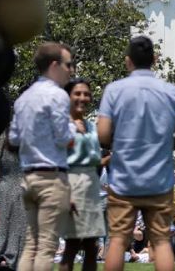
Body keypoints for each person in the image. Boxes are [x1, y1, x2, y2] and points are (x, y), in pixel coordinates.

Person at [97, 35, 175, 271]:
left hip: (124, 178)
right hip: (159, 178)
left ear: (128, 61)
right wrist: (163, 146)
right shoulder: (173, 92)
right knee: (160, 241)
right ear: (155, 60)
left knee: (118, 240)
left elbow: (103, 134)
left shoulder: (114, 90)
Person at [9, 42, 75, 271]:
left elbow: (14, 140)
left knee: (31, 244)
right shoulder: (57, 96)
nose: (71, 70)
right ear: (55, 65)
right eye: (68, 64)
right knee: (47, 246)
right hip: (51, 176)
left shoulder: (23, 98)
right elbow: (63, 137)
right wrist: (74, 130)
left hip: (28, 176)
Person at [59, 78, 107, 271]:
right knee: (72, 243)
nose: (82, 97)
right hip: (72, 183)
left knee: (91, 245)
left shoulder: (92, 126)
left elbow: (94, 160)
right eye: (77, 93)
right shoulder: (62, 124)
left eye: (86, 93)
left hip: (91, 184)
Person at [0, 130, 28, 271]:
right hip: (24, 188)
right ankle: (15, 262)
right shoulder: (30, 139)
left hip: (4, 187)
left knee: (1, 229)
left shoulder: (2, 138)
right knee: (19, 230)